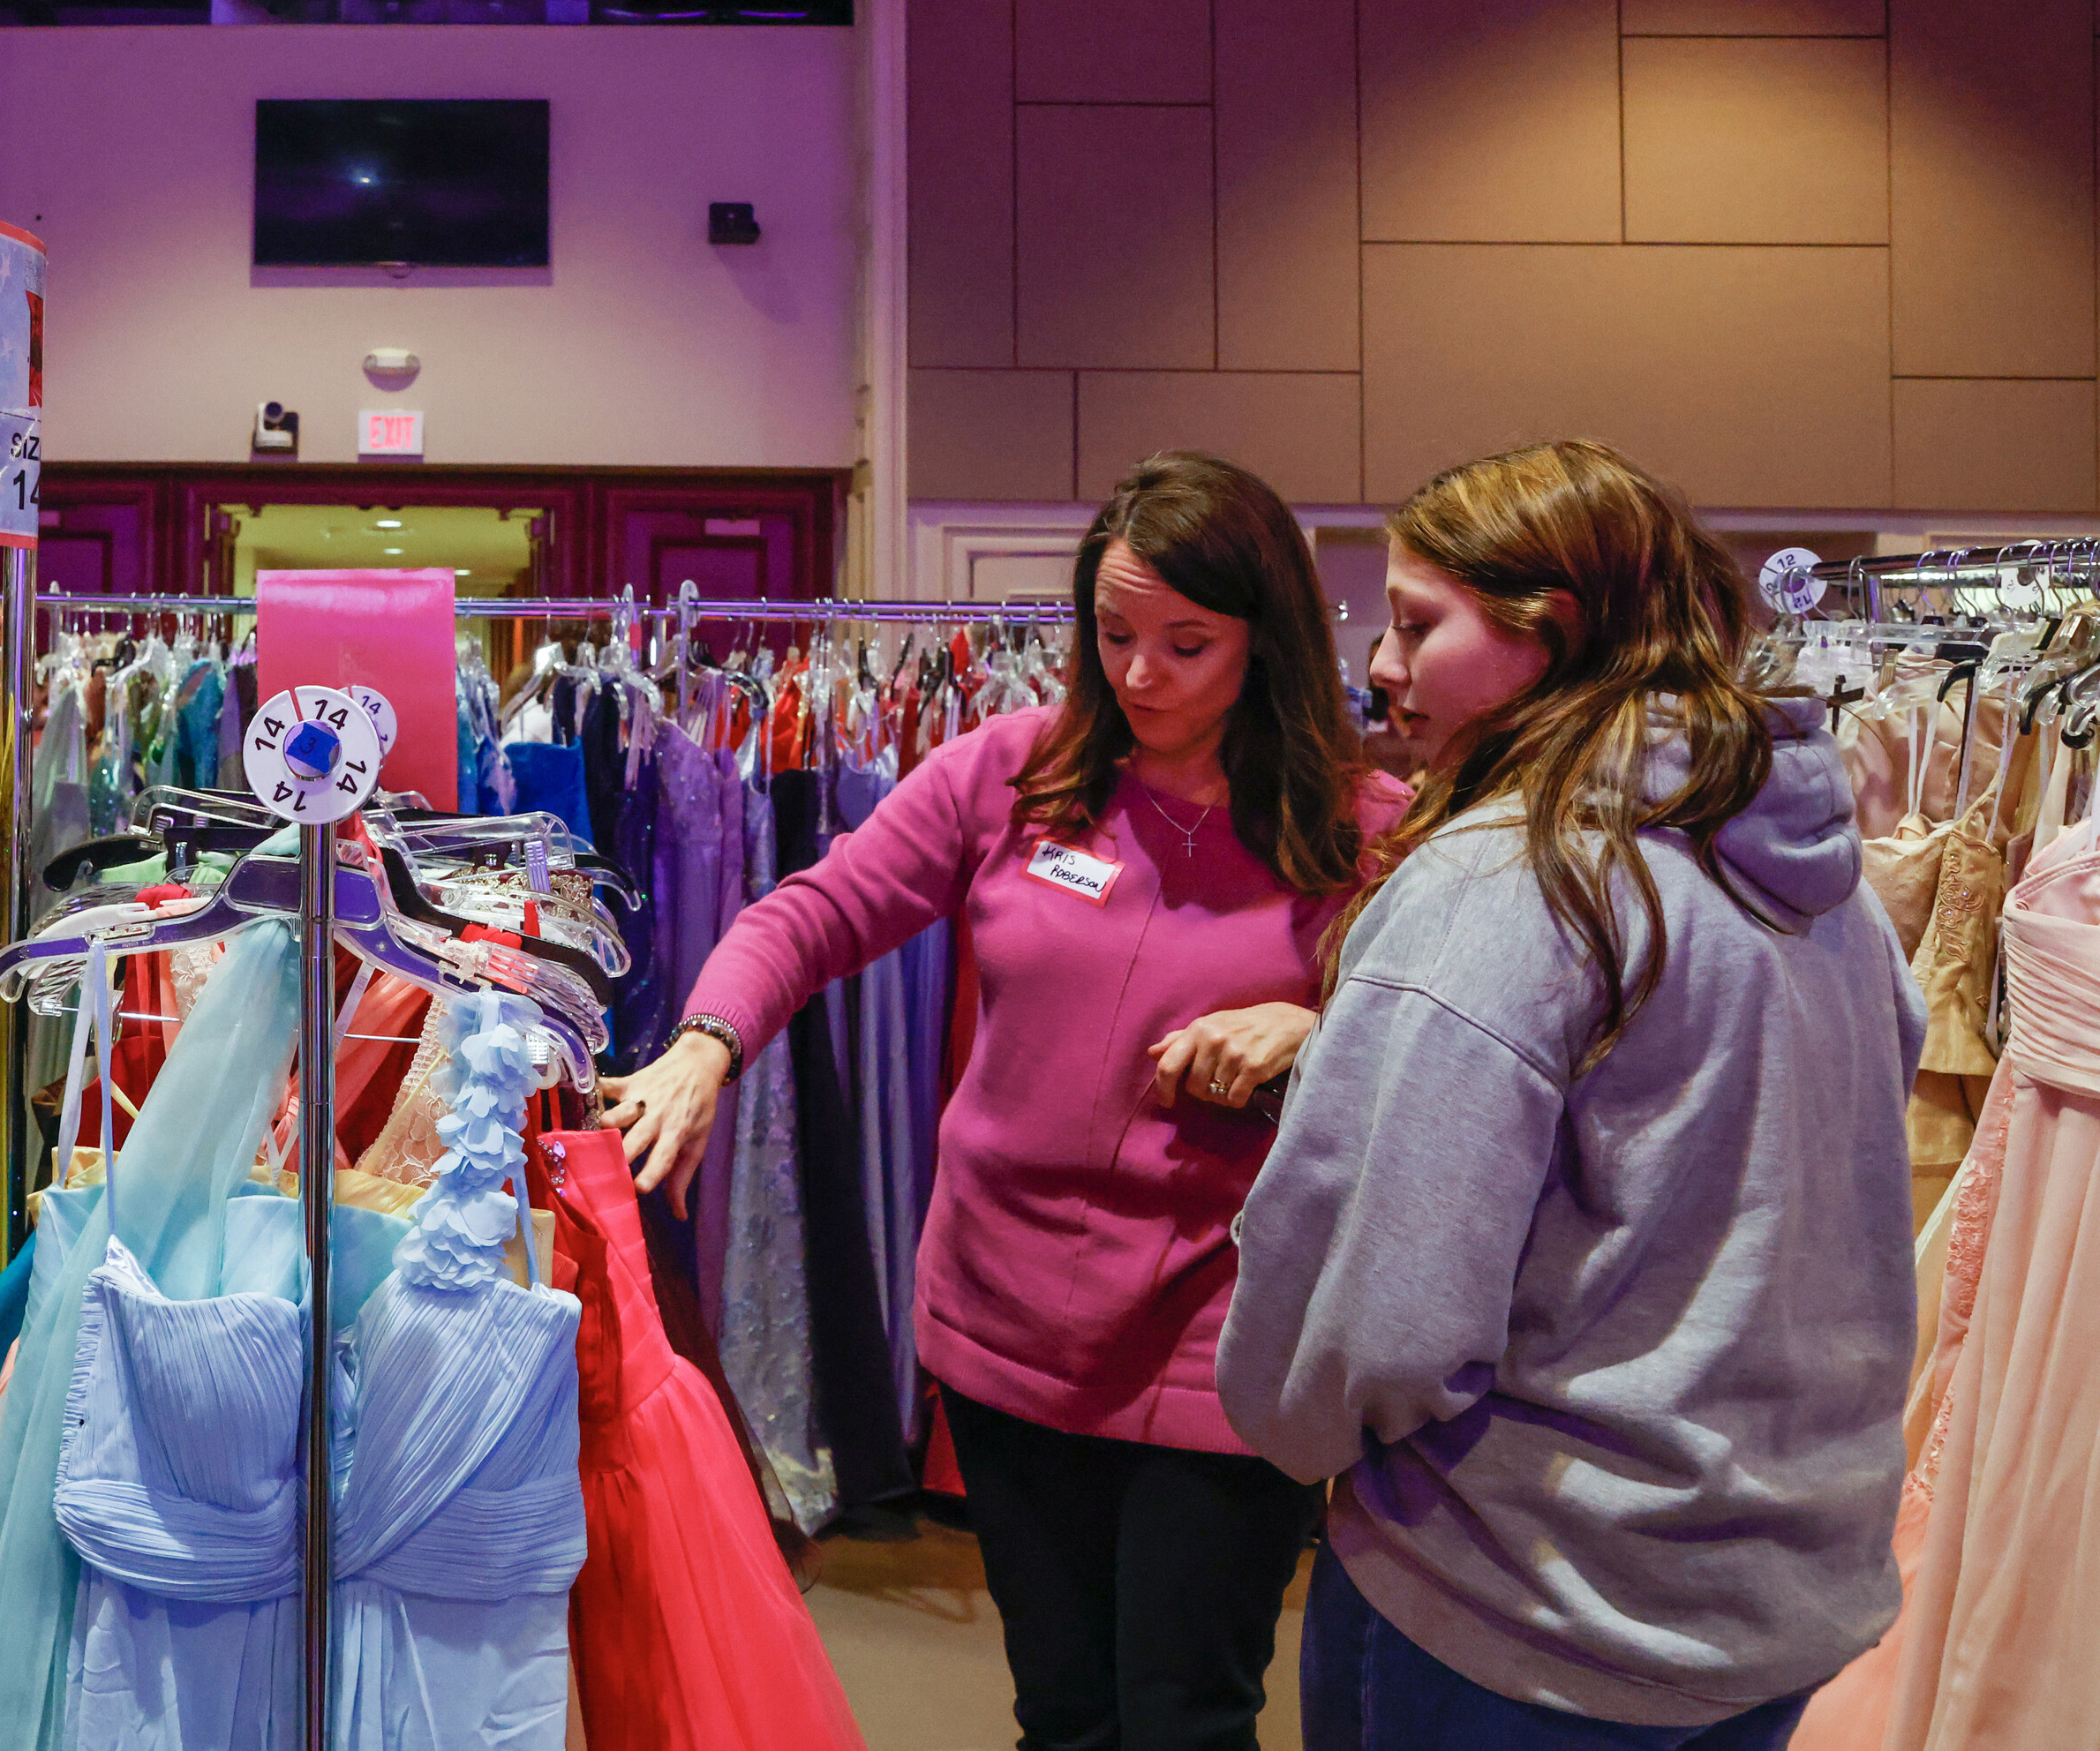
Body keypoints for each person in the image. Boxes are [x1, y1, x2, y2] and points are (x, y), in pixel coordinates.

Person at [607, 450, 1406, 1751]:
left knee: (1187, 1718)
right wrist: (707, 1042)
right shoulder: (1014, 772)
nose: (1141, 674)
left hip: (1224, 1328)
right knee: (1066, 1715)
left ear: (1267, 643)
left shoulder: (1365, 828)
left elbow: (1438, 1045)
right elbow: (813, 913)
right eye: (1114, 634)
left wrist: (1317, 1029)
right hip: (1007, 1324)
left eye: (1187, 644)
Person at [1219, 440, 1918, 1751]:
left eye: (1418, 626)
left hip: (1526, 1608)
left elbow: (1386, 1319)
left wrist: (1295, 1430)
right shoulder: (1830, 887)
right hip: (1770, 1588)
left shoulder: (1511, 886)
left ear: (1553, 634)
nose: (1378, 665)